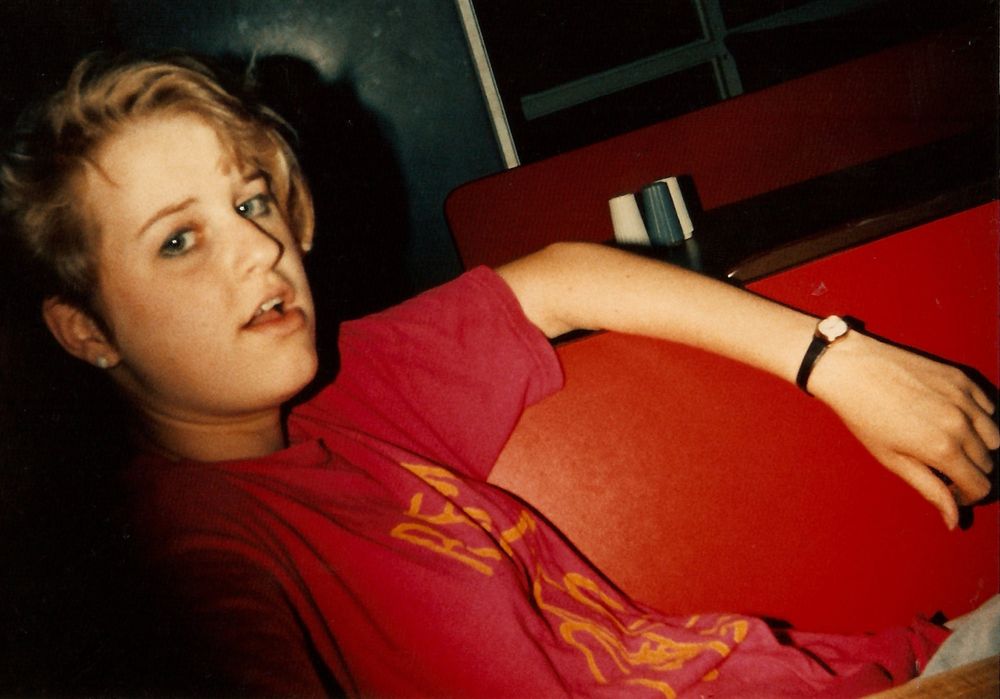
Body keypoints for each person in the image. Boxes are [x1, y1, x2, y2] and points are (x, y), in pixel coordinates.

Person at [1, 53, 996, 697]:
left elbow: (559, 281)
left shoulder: (337, 395)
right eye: (178, 241)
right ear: (85, 331)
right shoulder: (187, 557)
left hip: (874, 666)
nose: (260, 250)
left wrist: (837, 361)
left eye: (251, 201)